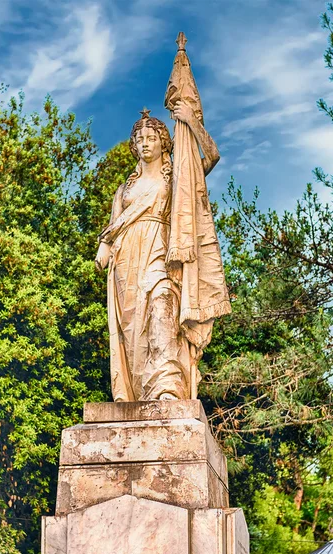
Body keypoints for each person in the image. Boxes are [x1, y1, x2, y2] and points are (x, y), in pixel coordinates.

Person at [95, 102, 220, 402]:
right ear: (134, 147)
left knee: (163, 307)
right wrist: (104, 247)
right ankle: (138, 395)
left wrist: (191, 122)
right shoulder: (124, 189)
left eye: (151, 138)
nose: (145, 144)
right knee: (132, 333)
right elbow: (112, 227)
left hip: (161, 253)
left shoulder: (177, 177)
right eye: (139, 140)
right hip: (126, 260)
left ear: (163, 142)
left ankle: (167, 389)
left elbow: (212, 157)